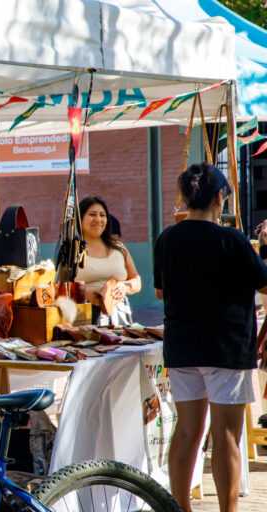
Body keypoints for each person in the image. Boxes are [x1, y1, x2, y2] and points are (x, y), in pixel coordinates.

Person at [154, 163, 267, 512]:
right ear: (220, 197)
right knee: (226, 435)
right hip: (227, 348)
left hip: (182, 346)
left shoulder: (167, 238)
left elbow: (160, 291)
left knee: (187, 431)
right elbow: (264, 284)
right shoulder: (232, 239)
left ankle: (179, 507)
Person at [75, 196, 141, 326]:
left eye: (102, 215)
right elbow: (59, 285)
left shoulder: (119, 247)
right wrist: (84, 291)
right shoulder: (71, 249)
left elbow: (136, 280)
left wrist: (125, 287)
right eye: (92, 214)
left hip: (119, 316)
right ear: (80, 218)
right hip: (83, 316)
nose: (98, 219)